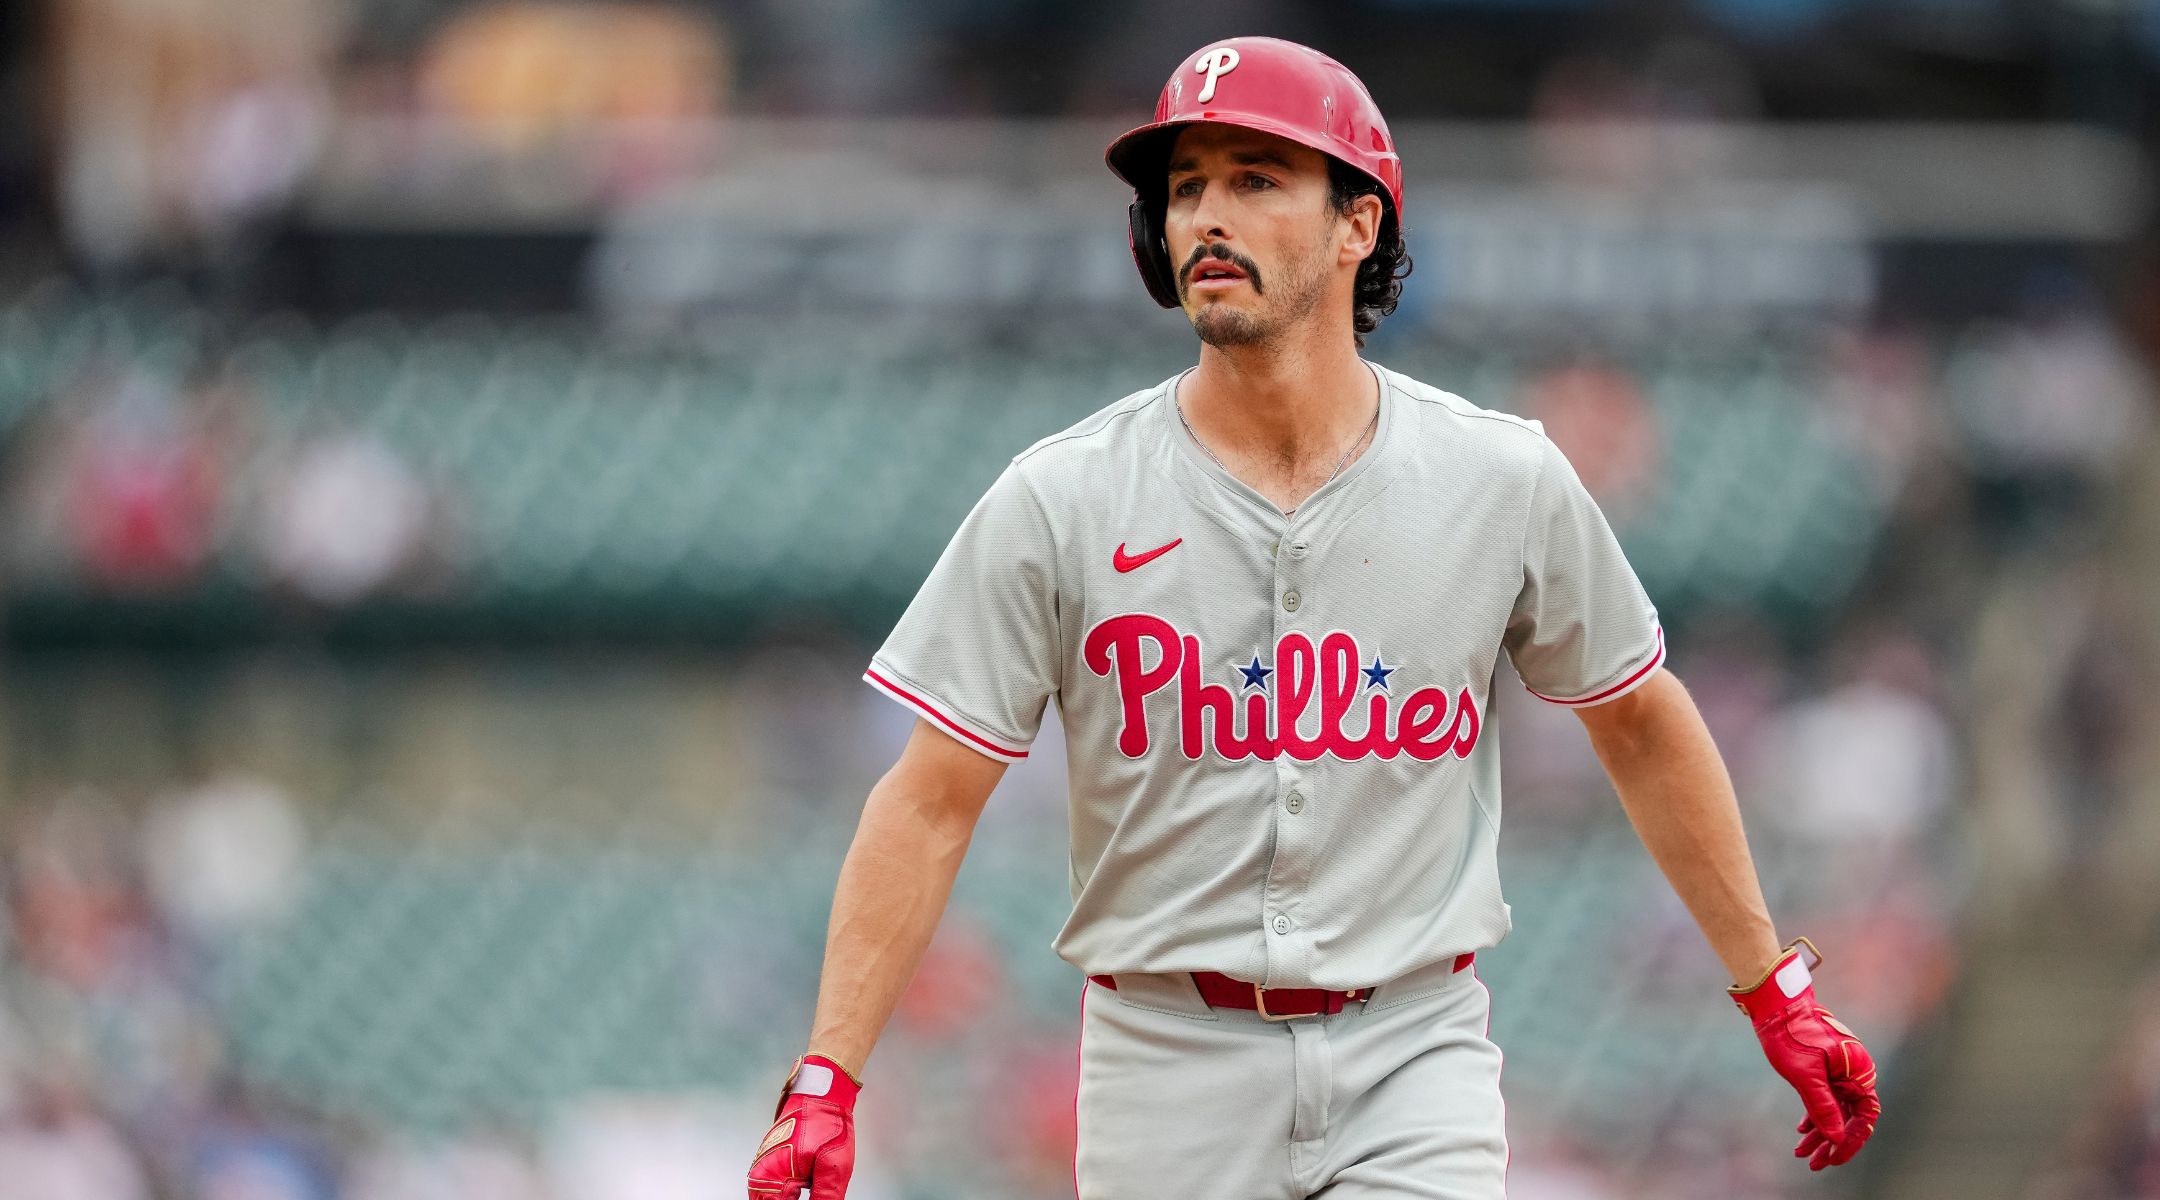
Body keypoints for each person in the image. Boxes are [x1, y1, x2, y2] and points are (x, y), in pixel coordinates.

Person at [747, 36, 1879, 1200]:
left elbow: (1640, 722)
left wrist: (1771, 988)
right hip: (1164, 1060)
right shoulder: (1062, 497)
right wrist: (829, 1076)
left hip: (1414, 1042)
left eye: (1255, 178)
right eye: (1185, 189)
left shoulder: (1503, 478)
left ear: (1358, 225)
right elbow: (929, 802)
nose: (1206, 217)